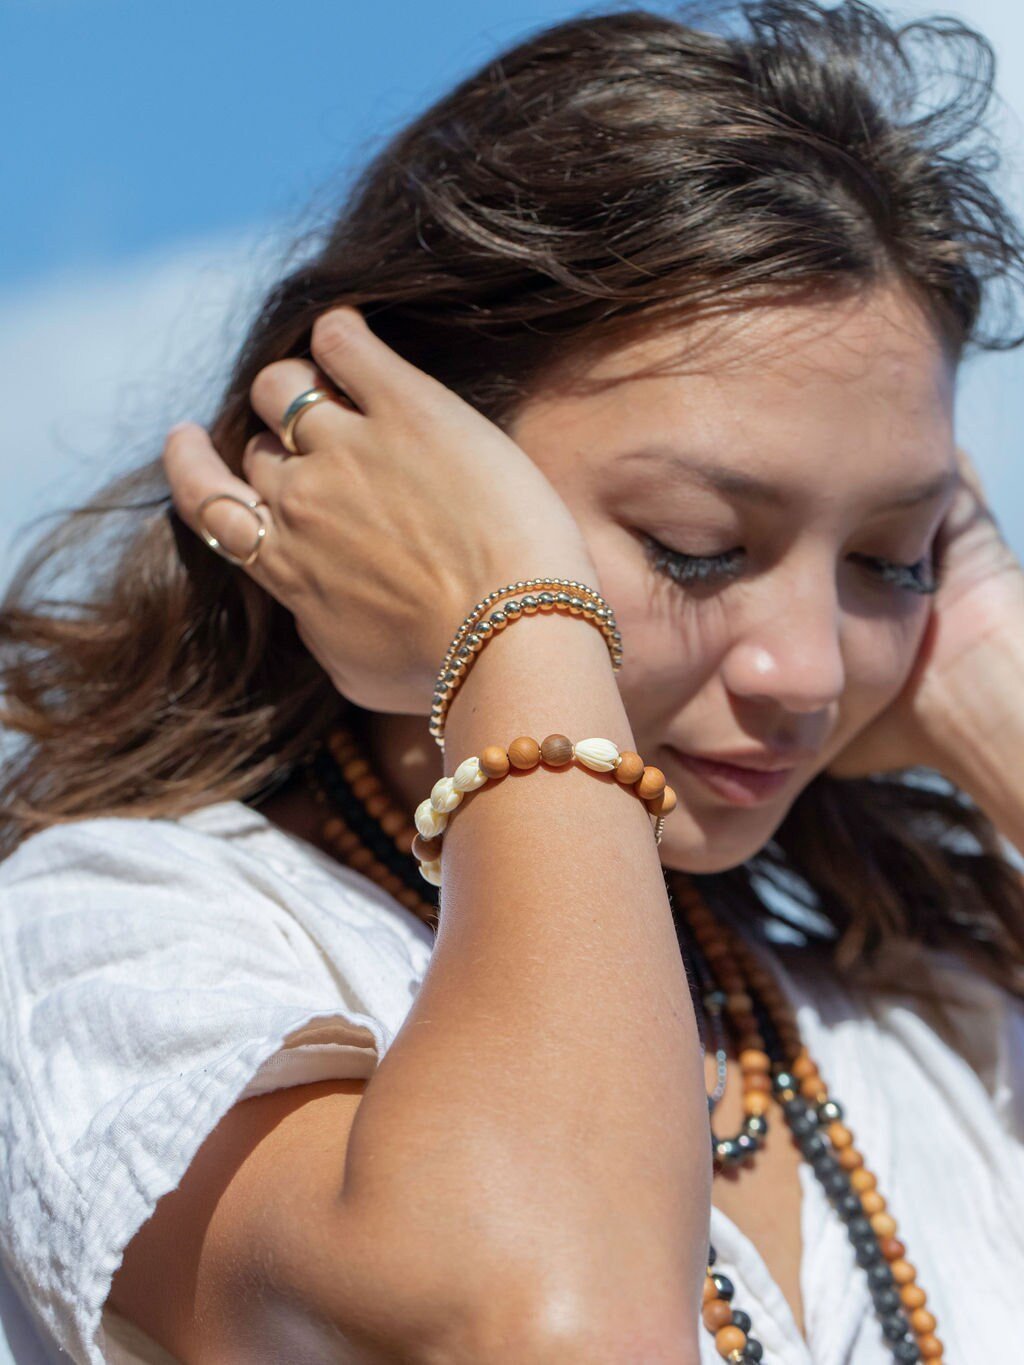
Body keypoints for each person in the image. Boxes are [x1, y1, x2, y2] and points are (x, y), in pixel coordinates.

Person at [3, 1, 1024, 1361]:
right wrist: (515, 628)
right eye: (700, 548)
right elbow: (542, 1318)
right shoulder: (131, 946)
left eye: (890, 559)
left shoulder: (930, 1013)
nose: (809, 670)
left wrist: (992, 678)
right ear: (405, 473)